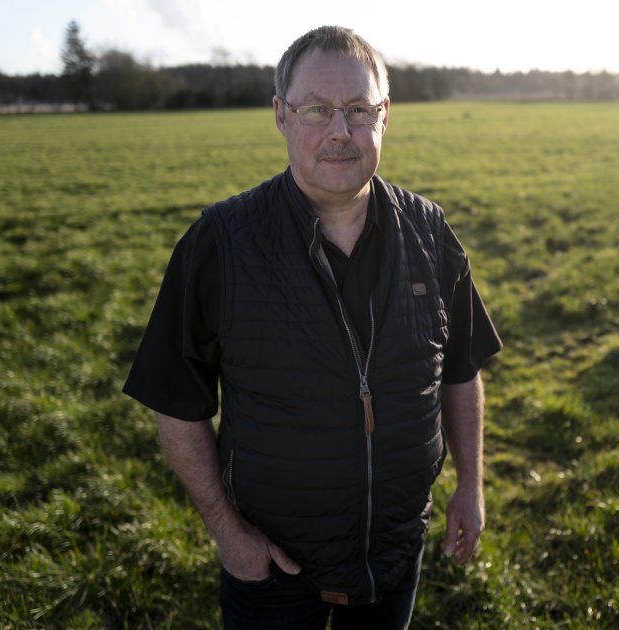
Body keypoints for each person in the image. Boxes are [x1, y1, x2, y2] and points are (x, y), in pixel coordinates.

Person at [122, 25, 502, 629]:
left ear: (385, 116)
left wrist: (470, 487)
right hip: (271, 568)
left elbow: (459, 371)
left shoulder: (430, 233)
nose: (339, 132)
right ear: (280, 115)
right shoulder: (220, 243)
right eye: (316, 109)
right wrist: (229, 535)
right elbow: (176, 403)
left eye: (357, 110)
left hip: (394, 557)